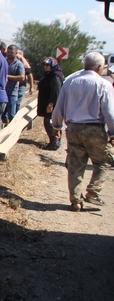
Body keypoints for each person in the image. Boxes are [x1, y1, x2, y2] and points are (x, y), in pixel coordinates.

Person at [51, 52, 114, 211]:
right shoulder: (103, 84)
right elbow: (109, 112)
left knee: (75, 165)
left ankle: (76, 201)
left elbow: (59, 106)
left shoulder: (70, 82)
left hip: (73, 128)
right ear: (100, 67)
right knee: (104, 161)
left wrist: (56, 126)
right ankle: (93, 191)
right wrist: (112, 132)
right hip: (95, 128)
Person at [37, 57, 64, 150]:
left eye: (47, 65)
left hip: (53, 105)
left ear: (53, 65)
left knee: (49, 123)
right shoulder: (49, 74)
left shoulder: (55, 76)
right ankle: (55, 142)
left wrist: (51, 104)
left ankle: (54, 143)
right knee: (50, 123)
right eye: (44, 64)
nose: (45, 66)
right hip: (47, 102)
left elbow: (56, 91)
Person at [1, 45, 25, 124]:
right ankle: (5, 129)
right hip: (2, 92)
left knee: (11, 114)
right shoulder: (3, 61)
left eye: (12, 52)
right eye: (8, 52)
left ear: (16, 53)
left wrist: (8, 77)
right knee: (3, 115)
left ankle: (12, 132)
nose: (9, 54)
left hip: (12, 93)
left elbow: (22, 77)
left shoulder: (19, 64)